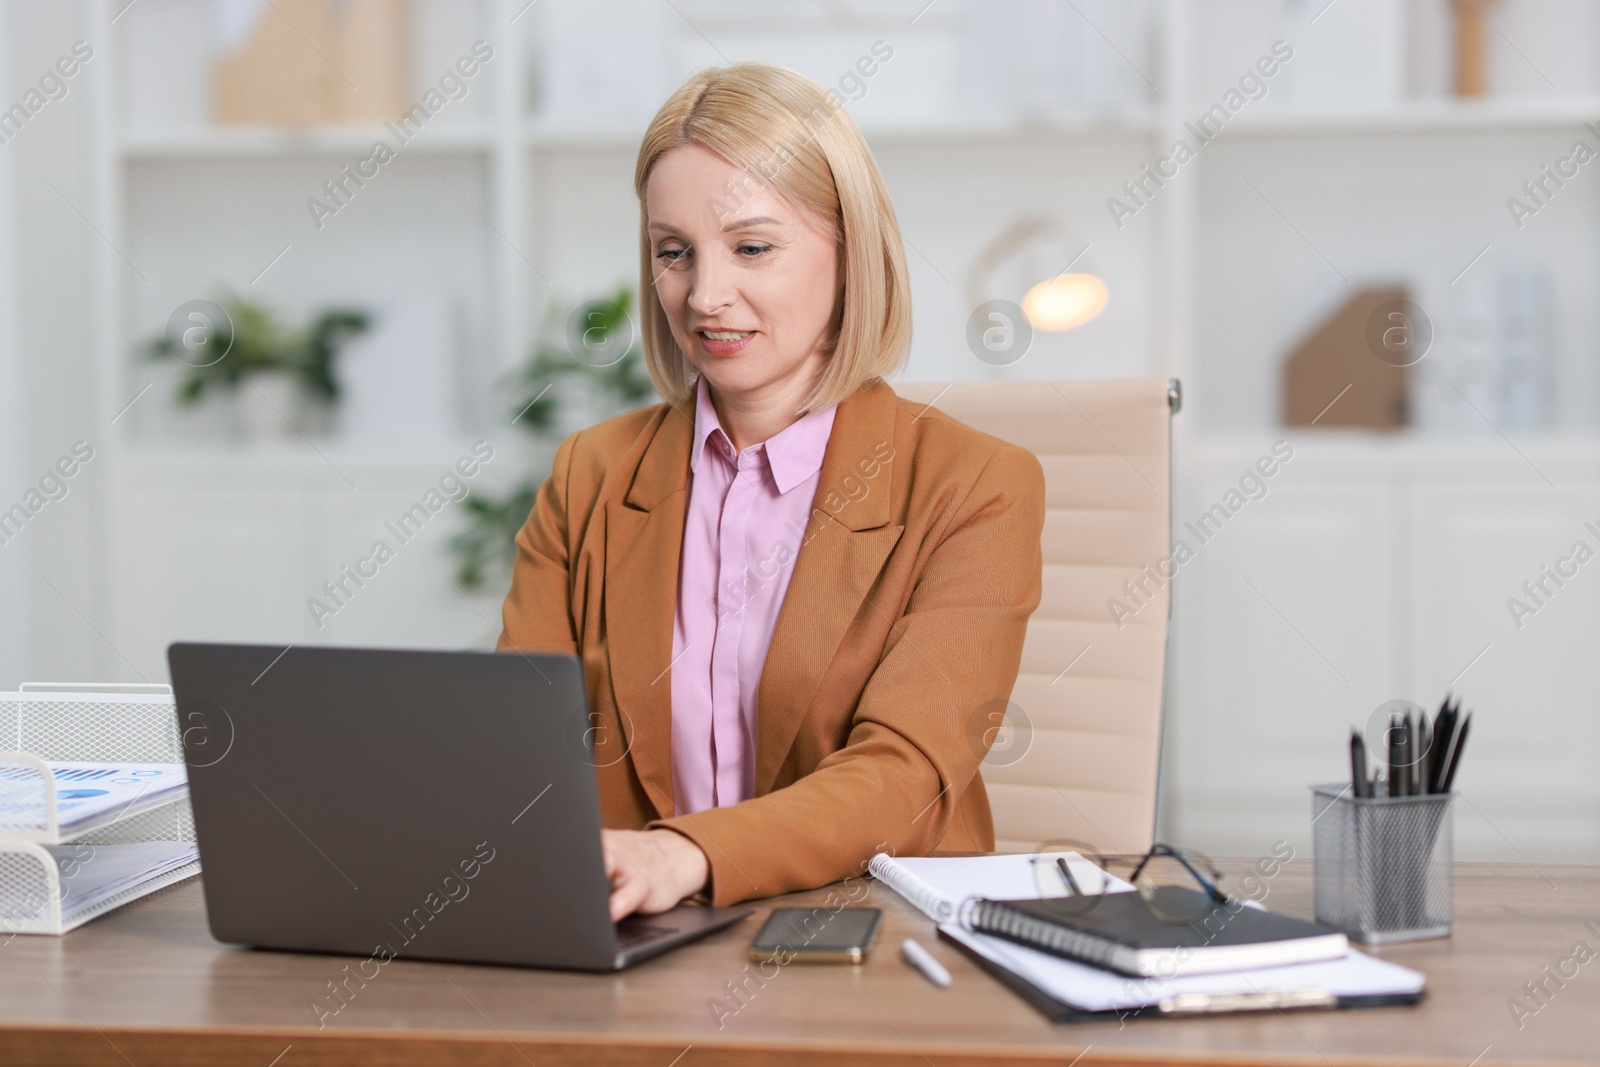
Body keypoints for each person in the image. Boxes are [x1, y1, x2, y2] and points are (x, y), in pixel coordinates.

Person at [498, 62, 1044, 921]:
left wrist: (686, 853)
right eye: (673, 252)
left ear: (849, 250)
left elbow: (900, 773)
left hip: (875, 946)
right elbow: (517, 746)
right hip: (637, 944)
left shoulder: (975, 486)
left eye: (752, 247)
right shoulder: (590, 475)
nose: (704, 296)